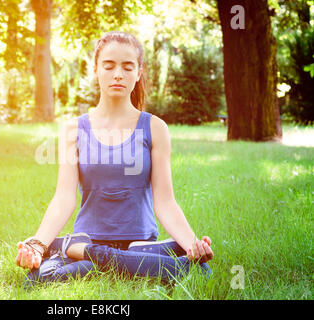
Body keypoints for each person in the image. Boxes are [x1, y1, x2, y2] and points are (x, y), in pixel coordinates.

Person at [16, 31, 214, 287]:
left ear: (138, 72)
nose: (118, 74)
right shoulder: (72, 129)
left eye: (127, 67)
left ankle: (89, 257)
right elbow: (64, 198)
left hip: (138, 244)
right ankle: (124, 263)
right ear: (96, 69)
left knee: (203, 272)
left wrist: (192, 245)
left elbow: (165, 201)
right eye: (109, 66)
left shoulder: (155, 128)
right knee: (34, 280)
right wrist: (38, 243)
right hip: (90, 238)